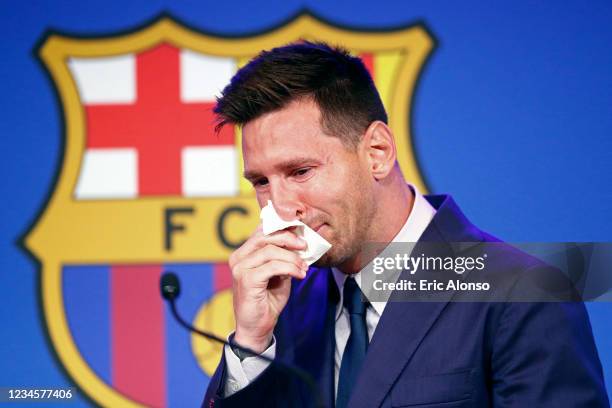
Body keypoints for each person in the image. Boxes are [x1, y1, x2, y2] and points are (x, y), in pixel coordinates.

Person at [203, 42, 609, 407]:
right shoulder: (283, 308)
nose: (281, 207)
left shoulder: (524, 294)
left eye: (301, 171)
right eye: (260, 182)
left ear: (377, 152)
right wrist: (251, 345)